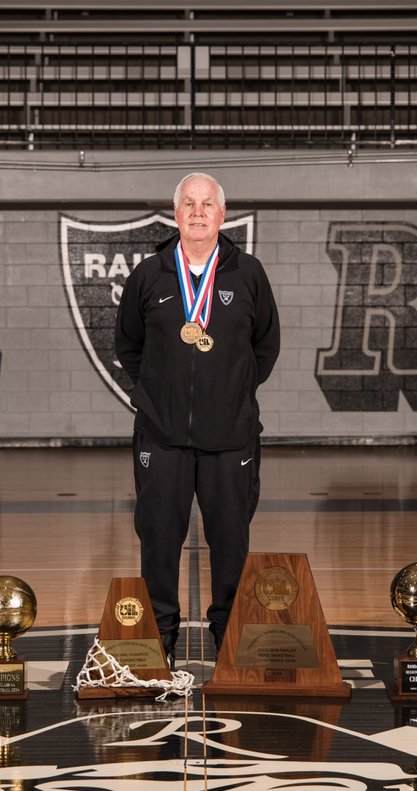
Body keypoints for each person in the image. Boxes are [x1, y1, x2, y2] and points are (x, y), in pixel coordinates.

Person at [114, 172, 280, 665]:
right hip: (161, 437)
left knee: (231, 540)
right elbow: (128, 347)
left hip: (230, 438)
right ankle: (158, 640)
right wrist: (160, 395)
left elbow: (265, 348)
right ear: (176, 213)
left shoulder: (248, 273)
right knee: (159, 539)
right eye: (189, 203)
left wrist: (228, 393)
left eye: (208, 204)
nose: (199, 211)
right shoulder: (149, 274)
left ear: (222, 215)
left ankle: (229, 639)